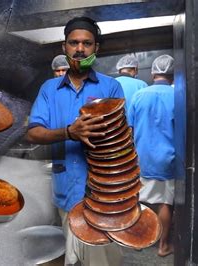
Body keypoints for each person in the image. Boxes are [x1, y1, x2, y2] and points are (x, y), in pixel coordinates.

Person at [27, 16, 124, 266]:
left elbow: (123, 137)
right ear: (64, 47)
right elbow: (33, 132)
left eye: (87, 44)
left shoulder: (111, 88)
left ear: (96, 48)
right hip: (66, 193)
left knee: (102, 261)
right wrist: (69, 132)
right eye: (74, 43)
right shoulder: (49, 89)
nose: (80, 49)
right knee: (69, 260)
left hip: (103, 196)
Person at [127, 54, 175, 257]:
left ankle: (139, 241)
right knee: (165, 202)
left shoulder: (139, 95)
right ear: (173, 75)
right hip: (168, 158)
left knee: (141, 201)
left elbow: (129, 128)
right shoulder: (178, 95)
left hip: (142, 157)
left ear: (153, 72)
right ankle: (163, 246)